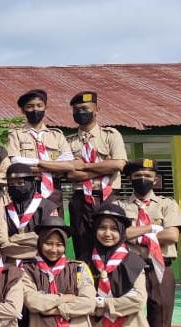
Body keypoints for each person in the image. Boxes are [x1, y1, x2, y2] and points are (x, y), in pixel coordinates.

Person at [119, 159, 181, 327]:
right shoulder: (120, 205)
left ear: (156, 180)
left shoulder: (168, 204)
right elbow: (119, 234)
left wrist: (138, 234)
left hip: (161, 267)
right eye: (138, 175)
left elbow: (172, 234)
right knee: (130, 320)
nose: (143, 179)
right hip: (130, 268)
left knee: (160, 322)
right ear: (130, 179)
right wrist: (151, 226)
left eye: (148, 175)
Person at [65, 92, 128, 261]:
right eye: (76, 110)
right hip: (80, 200)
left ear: (96, 109)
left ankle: (109, 283)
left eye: (85, 108)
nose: (80, 112)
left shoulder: (111, 135)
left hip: (107, 197)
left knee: (110, 243)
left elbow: (118, 165)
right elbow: (70, 174)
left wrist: (84, 166)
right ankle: (86, 284)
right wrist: (104, 167)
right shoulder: (68, 141)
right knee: (83, 245)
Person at [6, 89, 75, 213]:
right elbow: (15, 164)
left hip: (54, 191)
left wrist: (36, 163)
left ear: (45, 108)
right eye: (30, 106)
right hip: (27, 189)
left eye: (39, 106)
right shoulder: (15, 135)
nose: (35, 110)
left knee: (54, 228)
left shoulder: (57, 135)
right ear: (23, 110)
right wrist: (53, 166)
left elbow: (69, 164)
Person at [0, 163, 59, 263]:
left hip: (43, 261)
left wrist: (13, 239)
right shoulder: (4, 210)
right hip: (12, 264)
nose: (15, 187)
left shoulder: (48, 207)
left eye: (20, 183)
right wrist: (32, 239)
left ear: (31, 183)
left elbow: (49, 241)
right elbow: (3, 244)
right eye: (11, 184)